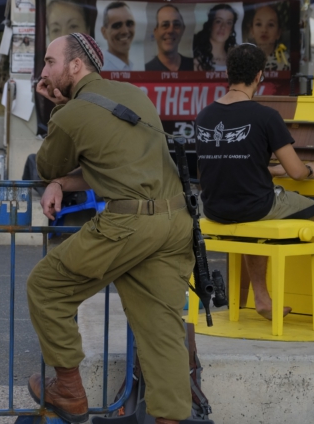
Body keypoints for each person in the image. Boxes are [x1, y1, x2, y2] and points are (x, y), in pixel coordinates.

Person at [26, 32, 194, 424]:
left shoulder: (69, 114)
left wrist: (58, 108)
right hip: (175, 221)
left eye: (50, 63)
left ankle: (68, 391)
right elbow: (114, 162)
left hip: (128, 224)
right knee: (163, 332)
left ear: (75, 65)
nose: (44, 72)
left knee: (45, 287)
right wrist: (65, 182)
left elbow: (48, 166)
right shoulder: (135, 95)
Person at [195, 43, 314, 324]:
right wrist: (310, 168)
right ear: (259, 75)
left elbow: (227, 163)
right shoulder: (265, 116)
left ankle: (262, 299)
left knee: (253, 213)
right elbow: (297, 173)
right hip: (254, 206)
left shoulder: (205, 116)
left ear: (228, 73)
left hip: (215, 208)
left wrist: (270, 170)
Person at [145, 5, 194, 71]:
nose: (170, 30)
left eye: (176, 25)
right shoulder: (146, 70)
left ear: (183, 30)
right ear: (156, 32)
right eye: (165, 25)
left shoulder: (196, 67)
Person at [193, 3, 238, 71]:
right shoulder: (197, 61)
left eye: (228, 23)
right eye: (218, 21)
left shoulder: (237, 61)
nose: (223, 27)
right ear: (210, 25)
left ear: (232, 29)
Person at [248, 5, 290, 71]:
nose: (264, 30)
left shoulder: (286, 61)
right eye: (258, 24)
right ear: (252, 31)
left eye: (270, 25)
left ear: (278, 33)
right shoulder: (244, 60)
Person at [100, 1, 136, 71]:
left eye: (129, 23)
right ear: (104, 32)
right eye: (117, 26)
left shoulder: (131, 66)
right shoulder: (104, 71)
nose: (125, 31)